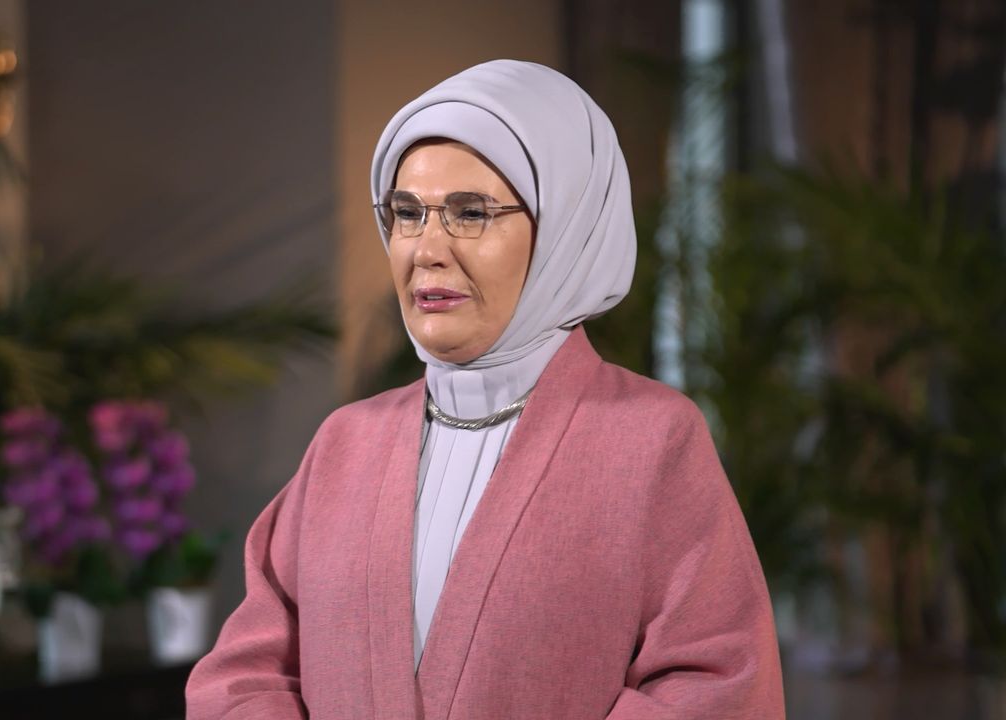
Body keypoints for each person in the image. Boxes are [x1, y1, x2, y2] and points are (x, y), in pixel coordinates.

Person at [185, 59, 784, 720]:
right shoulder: (346, 443)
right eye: (407, 213)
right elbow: (246, 674)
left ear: (562, 231)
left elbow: (714, 687)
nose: (427, 250)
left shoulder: (650, 440)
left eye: (470, 213)